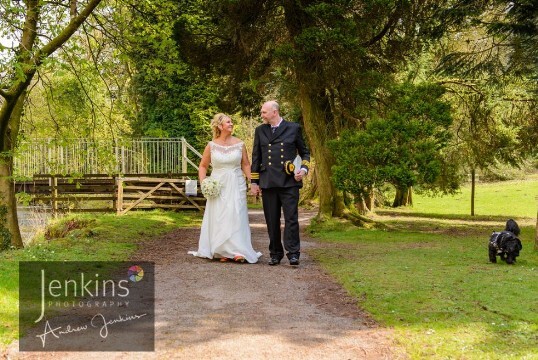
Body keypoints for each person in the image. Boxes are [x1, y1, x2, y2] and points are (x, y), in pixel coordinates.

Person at [189, 113, 261, 263]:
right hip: (218, 185)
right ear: (220, 126)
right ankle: (221, 251)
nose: (231, 124)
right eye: (228, 122)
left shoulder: (239, 144)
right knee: (220, 216)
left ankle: (238, 250)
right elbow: (202, 166)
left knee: (237, 214)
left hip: (236, 183)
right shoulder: (211, 145)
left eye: (232, 122)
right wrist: (204, 183)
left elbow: (246, 165)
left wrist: (253, 182)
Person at [250, 101, 310, 266]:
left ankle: (293, 253)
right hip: (268, 182)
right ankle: (275, 253)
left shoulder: (293, 128)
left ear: (274, 112)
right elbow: (256, 157)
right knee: (271, 219)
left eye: (264, 112)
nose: (262, 115)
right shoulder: (260, 130)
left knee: (291, 218)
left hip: (289, 181)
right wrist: (254, 182)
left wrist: (303, 170)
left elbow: (305, 152)